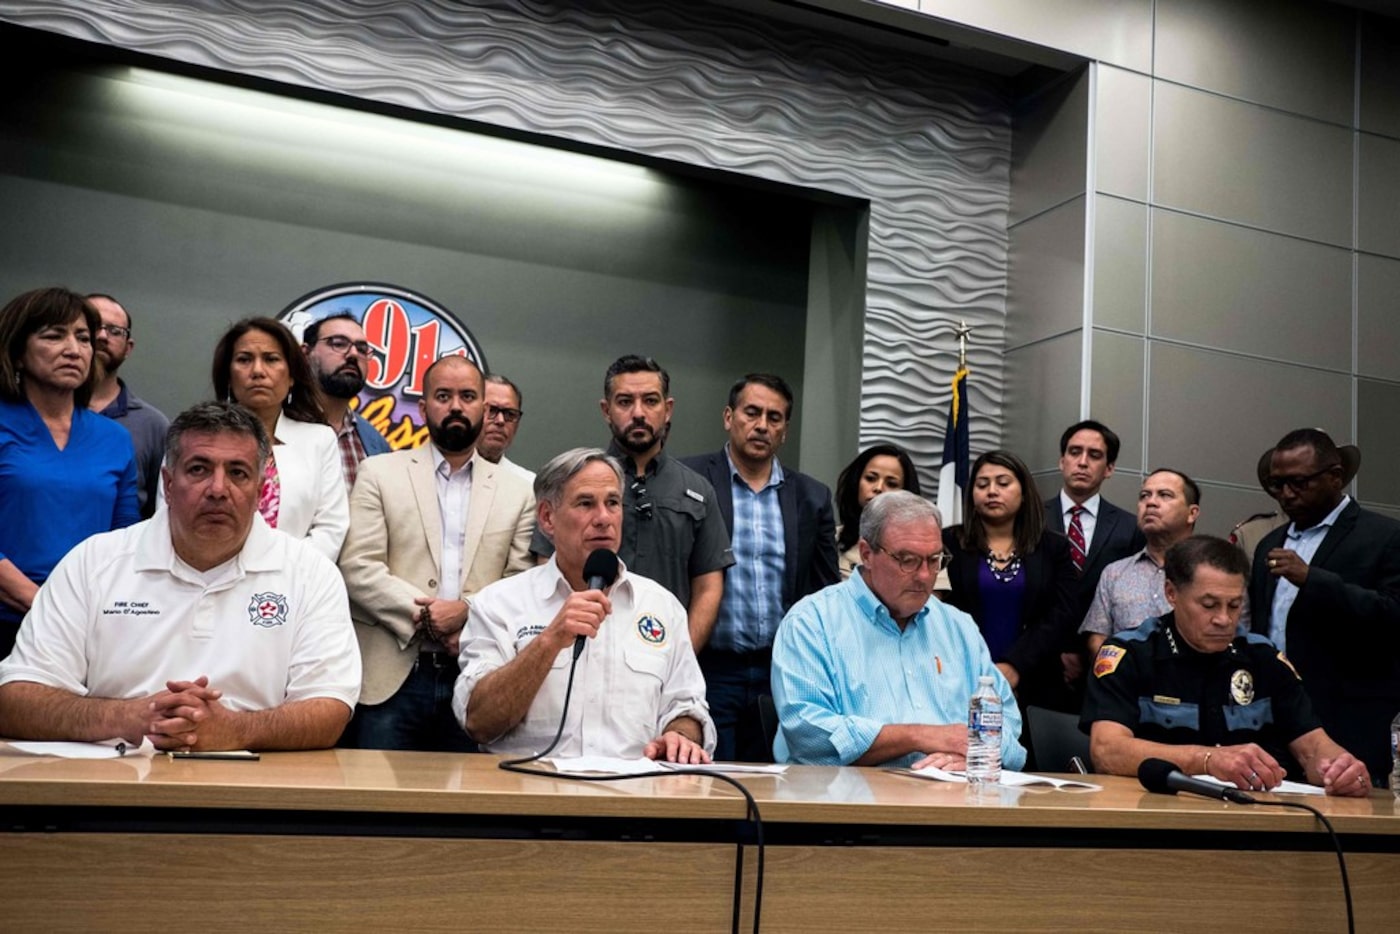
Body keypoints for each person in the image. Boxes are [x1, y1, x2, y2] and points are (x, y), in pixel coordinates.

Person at [0, 402, 360, 750]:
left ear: (259, 490)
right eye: (199, 469)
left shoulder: (311, 574)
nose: (218, 490)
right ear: (168, 484)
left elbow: (329, 708)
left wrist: (236, 730)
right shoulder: (93, 563)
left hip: (254, 793)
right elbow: (15, 698)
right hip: (112, 788)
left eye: (238, 473)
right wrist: (134, 717)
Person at [457, 448, 714, 762]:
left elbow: (686, 706)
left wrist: (681, 736)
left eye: (613, 503)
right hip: (531, 795)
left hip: (635, 796)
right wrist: (549, 641)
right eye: (585, 503)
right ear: (547, 518)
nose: (603, 518)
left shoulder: (662, 606)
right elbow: (479, 723)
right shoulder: (498, 604)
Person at [338, 356, 535, 751]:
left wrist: (466, 611)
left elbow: (521, 582)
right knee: (373, 806)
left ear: (483, 406)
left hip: (477, 674)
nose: (457, 406)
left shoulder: (521, 489)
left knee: (469, 808)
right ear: (425, 408)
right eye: (443, 396)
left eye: (467, 396)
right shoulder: (379, 473)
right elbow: (357, 566)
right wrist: (429, 616)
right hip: (390, 678)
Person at [1084, 535, 1371, 796]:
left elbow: (1312, 748)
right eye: (1209, 605)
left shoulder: (1263, 657)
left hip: (1259, 818)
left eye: (1234, 605)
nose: (1224, 619)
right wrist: (1207, 760)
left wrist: (1341, 769)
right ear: (1171, 593)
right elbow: (1107, 750)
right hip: (1157, 814)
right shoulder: (1130, 653)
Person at [771, 491, 1025, 769]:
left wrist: (969, 755)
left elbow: (1008, 729)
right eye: (908, 560)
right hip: (847, 800)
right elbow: (810, 737)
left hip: (954, 797)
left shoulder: (958, 627)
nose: (926, 576)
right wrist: (921, 736)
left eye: (934, 560)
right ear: (867, 554)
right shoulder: (811, 623)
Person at [681, 373, 839, 760]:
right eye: (752, 413)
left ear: (784, 430)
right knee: (710, 783)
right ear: (728, 417)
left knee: (778, 783)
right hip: (710, 667)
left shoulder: (812, 496)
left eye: (774, 417)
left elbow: (825, 591)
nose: (762, 425)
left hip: (782, 670)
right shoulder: (689, 480)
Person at [529, 355, 733, 638]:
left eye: (650, 401)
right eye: (625, 402)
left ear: (668, 408)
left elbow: (708, 586)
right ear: (606, 410)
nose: (638, 413)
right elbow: (546, 568)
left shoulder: (698, 490)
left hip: (662, 648)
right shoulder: (573, 482)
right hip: (583, 644)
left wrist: (679, 654)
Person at [1248, 428, 1400, 785]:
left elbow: (1394, 616)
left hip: (1351, 722)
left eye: (1299, 482)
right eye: (1277, 484)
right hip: (1274, 721)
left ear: (1335, 477)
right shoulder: (1269, 542)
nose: (1286, 494)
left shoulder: (1385, 536)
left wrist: (1313, 580)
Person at [0, 287, 138, 656]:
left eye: (82, 338)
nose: (73, 350)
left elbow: (125, 539)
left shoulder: (114, 439)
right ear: (17, 352)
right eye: (53, 335)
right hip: (10, 621)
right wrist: (46, 604)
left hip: (88, 626)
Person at [942, 450, 1078, 712]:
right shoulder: (948, 543)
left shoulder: (1053, 547)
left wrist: (1014, 666)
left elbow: (1063, 612)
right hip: (960, 677)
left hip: (1036, 680)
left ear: (1024, 491)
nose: (992, 491)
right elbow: (940, 611)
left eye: (1003, 483)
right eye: (982, 485)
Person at [210, 317, 348, 561]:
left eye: (271, 359)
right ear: (228, 376)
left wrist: (279, 571)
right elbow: (173, 515)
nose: (258, 371)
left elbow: (330, 529)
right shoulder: (196, 437)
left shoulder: (319, 440)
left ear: (292, 375)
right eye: (244, 359)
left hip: (294, 582)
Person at [1043, 420, 1145, 703]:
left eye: (1095, 455)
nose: (1083, 462)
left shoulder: (1131, 527)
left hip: (1103, 670)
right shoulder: (1032, 519)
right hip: (1037, 664)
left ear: (1109, 468)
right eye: (1074, 452)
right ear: (1062, 461)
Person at [1080, 469, 1202, 655]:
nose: (1151, 502)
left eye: (1165, 495)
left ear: (1192, 513)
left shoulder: (1215, 571)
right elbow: (1097, 637)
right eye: (1144, 496)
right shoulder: (1115, 573)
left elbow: (1236, 634)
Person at [87, 293, 170, 518]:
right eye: (93, 326)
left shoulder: (153, 425)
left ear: (128, 348)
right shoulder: (38, 412)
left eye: (115, 331)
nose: (103, 336)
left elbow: (161, 511)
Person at [301, 312, 390, 490]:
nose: (353, 354)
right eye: (339, 344)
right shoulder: (276, 425)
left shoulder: (375, 443)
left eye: (362, 349)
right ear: (305, 354)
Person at [833, 443, 922, 580]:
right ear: (856, 482)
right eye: (870, 478)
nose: (878, 488)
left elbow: (928, 599)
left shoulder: (924, 546)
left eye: (891, 484)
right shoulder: (831, 539)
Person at [476, 374, 534, 483]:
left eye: (510, 414)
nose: (501, 420)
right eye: (492, 410)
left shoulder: (527, 485)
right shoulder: (441, 474)